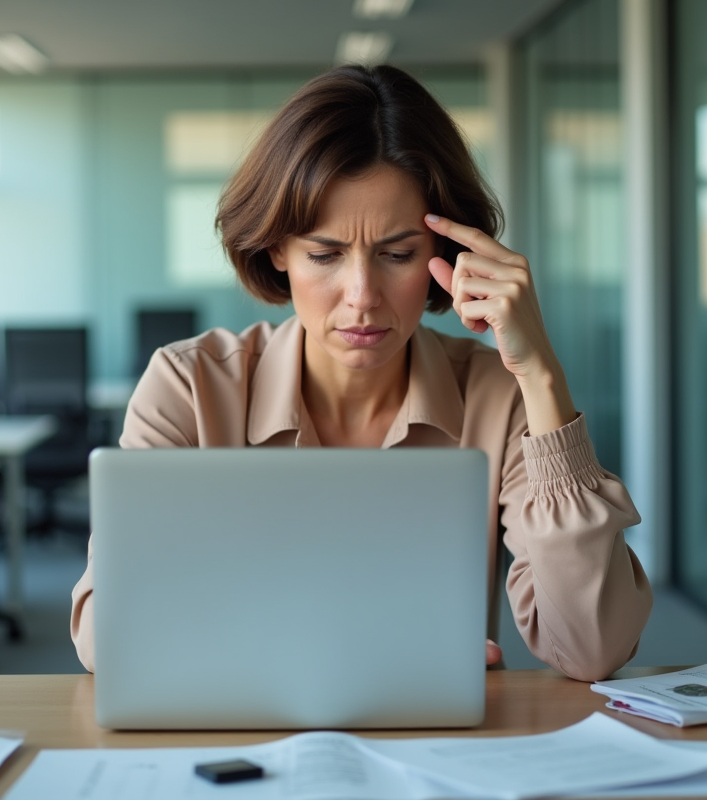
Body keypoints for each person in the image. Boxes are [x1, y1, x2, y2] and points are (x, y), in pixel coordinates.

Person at [71, 64, 652, 680]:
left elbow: (591, 647)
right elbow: (111, 639)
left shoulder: (498, 397)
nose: (362, 296)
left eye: (398, 254)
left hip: (432, 737)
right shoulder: (188, 388)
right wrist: (356, 649)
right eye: (324, 255)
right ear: (277, 249)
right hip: (238, 730)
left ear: (445, 254)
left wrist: (541, 374)